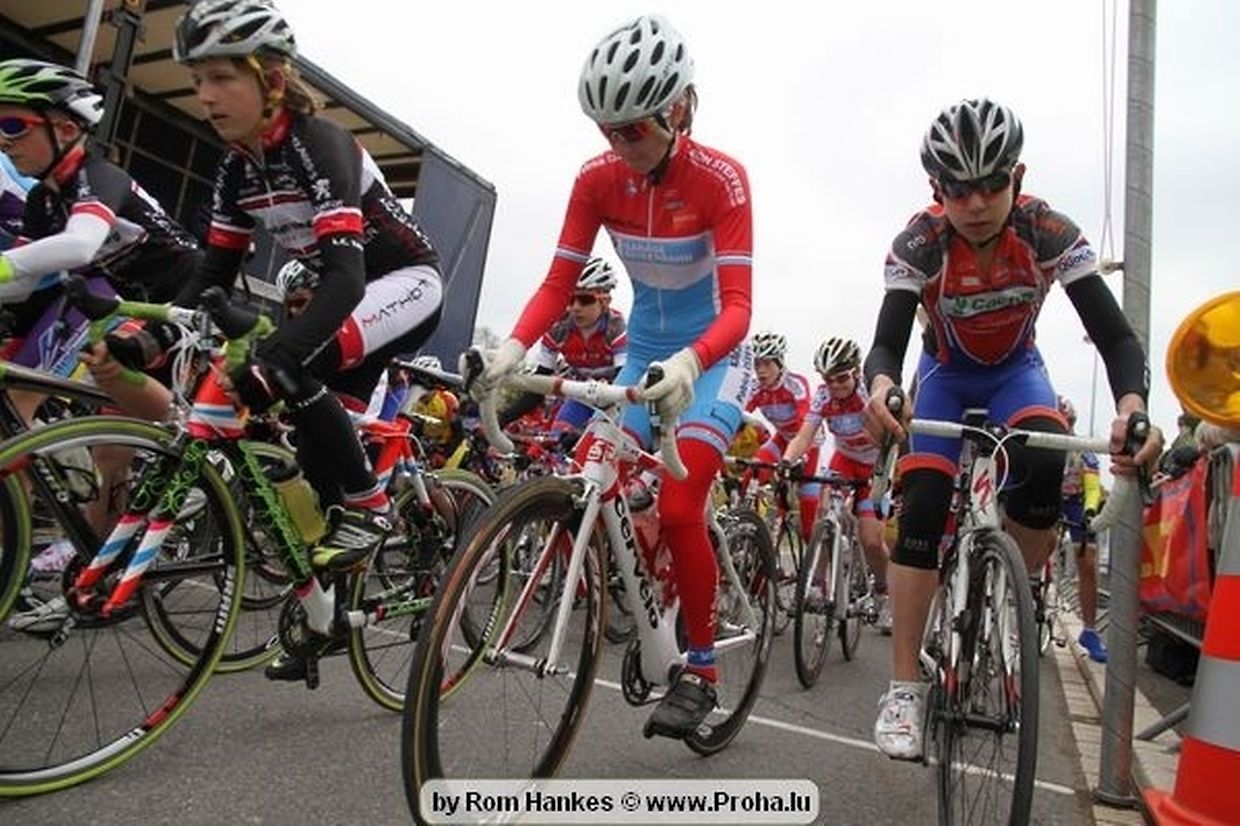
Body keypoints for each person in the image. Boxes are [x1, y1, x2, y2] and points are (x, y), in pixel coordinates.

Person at [471, 14, 753, 740]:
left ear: (679, 109)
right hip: (646, 352)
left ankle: (702, 668)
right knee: (592, 470)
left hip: (713, 358)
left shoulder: (721, 179)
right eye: (606, 131)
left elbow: (739, 307)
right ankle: (646, 587)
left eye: (632, 130)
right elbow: (557, 281)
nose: (619, 146)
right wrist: (512, 350)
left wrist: (693, 362)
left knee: (683, 507)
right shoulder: (597, 179)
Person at [862, 98, 1162, 760]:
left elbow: (1114, 337)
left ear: (1017, 177)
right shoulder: (920, 242)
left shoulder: (1046, 230)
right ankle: (904, 688)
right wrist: (882, 388)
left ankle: (1010, 598)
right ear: (936, 189)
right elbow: (886, 346)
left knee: (1044, 462)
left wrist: (1131, 407)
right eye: (958, 189)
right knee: (923, 507)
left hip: (1016, 374)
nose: (976, 203)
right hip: (945, 376)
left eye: (992, 184)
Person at [169, 0, 444, 676]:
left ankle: (374, 509)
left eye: (222, 77)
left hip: (403, 283)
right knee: (319, 478)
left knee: (291, 363)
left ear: (271, 79)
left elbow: (346, 278)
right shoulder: (238, 167)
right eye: (198, 80)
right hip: (348, 300)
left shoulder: (318, 144)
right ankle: (329, 620)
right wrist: (155, 332)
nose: (205, 96)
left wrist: (282, 353)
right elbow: (212, 272)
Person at [0, 59, 201, 577]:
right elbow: (23, 283)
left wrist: (4, 266)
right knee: (111, 452)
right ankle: (100, 552)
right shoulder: (44, 198)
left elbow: (79, 246)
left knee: (58, 399)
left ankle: (199, 449)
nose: (3, 140)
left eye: (13, 125)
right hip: (123, 303)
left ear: (66, 128)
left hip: (180, 300)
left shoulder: (99, 175)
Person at [783, 337, 891, 632]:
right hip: (844, 460)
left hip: (875, 464)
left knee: (871, 539)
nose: (835, 386)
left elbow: (893, 438)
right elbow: (804, 436)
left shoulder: (870, 393)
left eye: (842, 378)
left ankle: (882, 592)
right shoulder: (823, 397)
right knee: (823, 515)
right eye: (828, 379)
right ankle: (818, 585)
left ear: (856, 371)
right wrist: (787, 460)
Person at [498, 256, 628, 448]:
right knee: (555, 444)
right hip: (582, 396)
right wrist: (500, 419)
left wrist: (584, 429)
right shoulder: (558, 327)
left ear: (605, 301)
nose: (575, 307)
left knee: (595, 446)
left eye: (585, 300)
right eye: (570, 299)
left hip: (616, 398)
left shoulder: (616, 326)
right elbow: (537, 389)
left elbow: (623, 383)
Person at [745, 331, 822, 542]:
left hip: (808, 442)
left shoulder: (795, 384)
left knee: (808, 525)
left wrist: (796, 458)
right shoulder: (755, 388)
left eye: (767, 363)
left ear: (780, 363)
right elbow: (738, 416)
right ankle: (749, 528)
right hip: (782, 439)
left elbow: (804, 425)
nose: (760, 370)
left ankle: (813, 555)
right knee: (752, 472)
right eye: (757, 364)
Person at [1056, 395, 1107, 662]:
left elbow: (1093, 488)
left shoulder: (1083, 449)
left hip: (1076, 501)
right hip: (1049, 498)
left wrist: (1089, 512)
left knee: (1088, 562)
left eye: (1068, 422)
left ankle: (1089, 630)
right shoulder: (1044, 442)